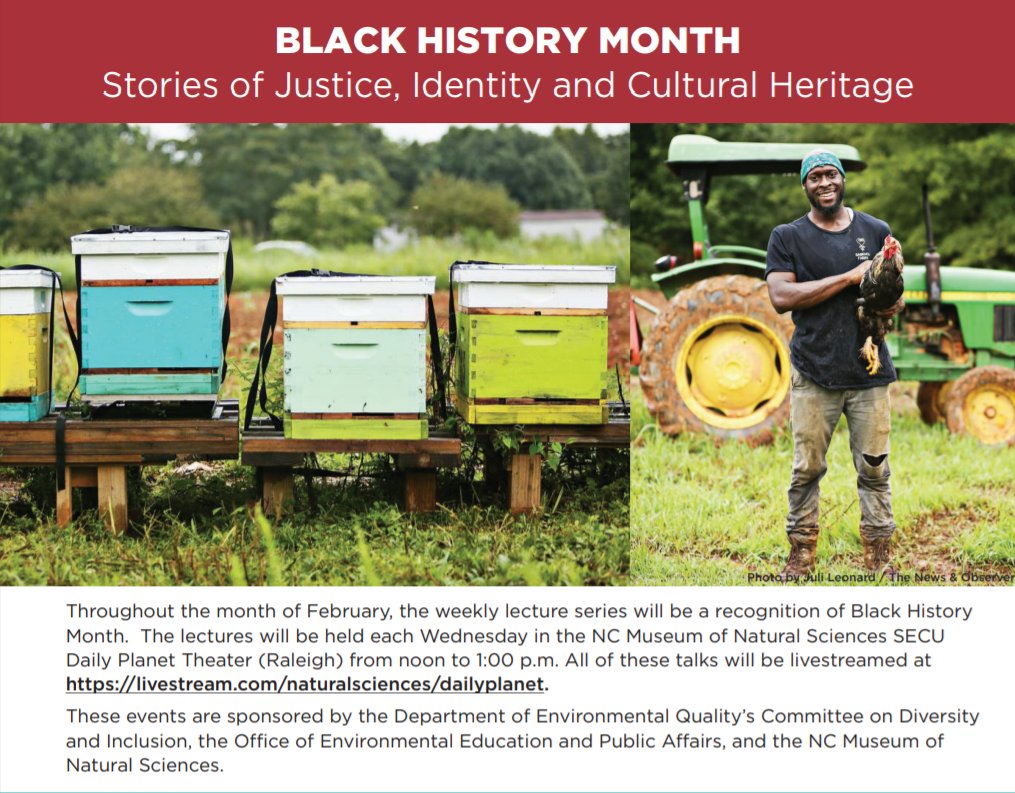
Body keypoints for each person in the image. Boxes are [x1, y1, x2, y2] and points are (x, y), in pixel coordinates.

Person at [765, 149, 904, 580]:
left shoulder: (875, 229)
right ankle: (801, 554)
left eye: (831, 175)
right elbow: (781, 297)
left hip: (869, 369)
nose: (824, 183)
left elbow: (896, 293)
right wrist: (848, 277)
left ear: (842, 180)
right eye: (815, 177)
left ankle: (879, 555)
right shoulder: (787, 237)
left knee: (875, 467)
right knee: (807, 468)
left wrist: (891, 300)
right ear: (804, 185)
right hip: (815, 371)